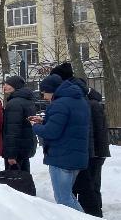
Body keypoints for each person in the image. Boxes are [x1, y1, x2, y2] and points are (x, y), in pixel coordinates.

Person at [30, 73, 89, 212]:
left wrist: (35, 126)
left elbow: (51, 132)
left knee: (63, 199)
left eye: (44, 92)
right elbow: (68, 125)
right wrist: (44, 121)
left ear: (52, 90)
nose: (44, 97)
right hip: (75, 154)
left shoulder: (59, 104)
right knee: (68, 196)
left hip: (62, 156)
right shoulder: (79, 100)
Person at [73, 85, 110, 217]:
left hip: (95, 152)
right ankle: (95, 210)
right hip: (98, 151)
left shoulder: (91, 105)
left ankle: (94, 214)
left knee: (90, 184)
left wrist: (93, 152)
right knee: (93, 183)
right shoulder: (94, 103)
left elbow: (96, 131)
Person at [1, 76, 37, 173]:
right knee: (24, 177)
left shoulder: (14, 104)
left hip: (16, 151)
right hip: (24, 147)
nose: (4, 86)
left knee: (14, 181)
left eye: (7, 84)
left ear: (14, 86)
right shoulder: (27, 101)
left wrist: (11, 155)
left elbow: (13, 131)